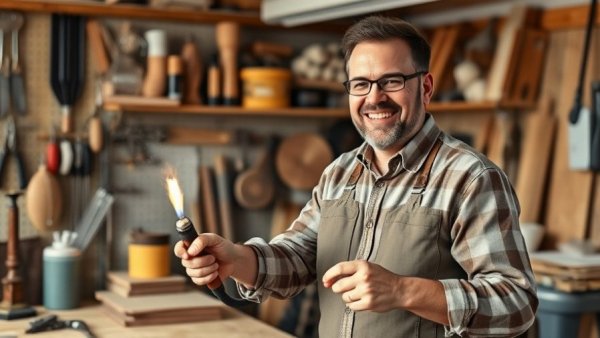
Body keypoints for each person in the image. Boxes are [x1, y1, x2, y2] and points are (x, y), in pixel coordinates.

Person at [175, 16, 538, 337]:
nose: (374, 98)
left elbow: (516, 303)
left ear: (425, 88)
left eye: (391, 81)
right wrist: (236, 259)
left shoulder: (469, 178)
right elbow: (297, 258)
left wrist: (402, 291)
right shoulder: (340, 172)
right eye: (360, 84)